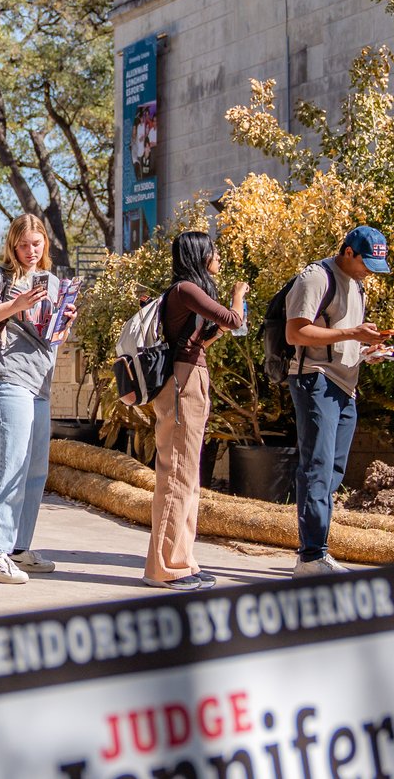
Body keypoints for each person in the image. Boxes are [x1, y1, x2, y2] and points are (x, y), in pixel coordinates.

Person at [0, 215, 76, 584]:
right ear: (13, 245)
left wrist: (65, 319)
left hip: (40, 384)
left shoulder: (53, 283)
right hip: (8, 380)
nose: (30, 251)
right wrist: (16, 304)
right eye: (23, 244)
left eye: (36, 244)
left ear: (46, 244)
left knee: (35, 470)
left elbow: (54, 339)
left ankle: (18, 550)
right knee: (9, 467)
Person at [284, 226, 392, 577]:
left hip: (346, 387)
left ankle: (315, 552)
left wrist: (366, 351)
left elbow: (341, 338)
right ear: (348, 252)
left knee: (332, 472)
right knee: (316, 468)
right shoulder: (315, 278)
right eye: (366, 263)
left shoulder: (357, 285)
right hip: (315, 380)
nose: (369, 271)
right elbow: (296, 332)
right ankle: (312, 556)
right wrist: (352, 333)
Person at [144, 232, 246, 591]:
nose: (218, 255)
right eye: (214, 250)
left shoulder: (190, 294)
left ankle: (183, 560)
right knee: (176, 477)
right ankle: (164, 568)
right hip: (182, 382)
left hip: (192, 377)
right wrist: (238, 295)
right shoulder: (185, 289)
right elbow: (233, 320)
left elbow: (212, 334)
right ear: (200, 255)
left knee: (189, 479)